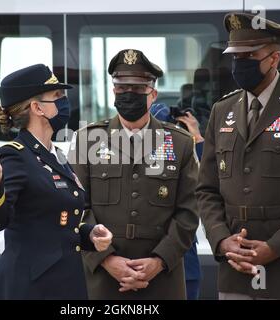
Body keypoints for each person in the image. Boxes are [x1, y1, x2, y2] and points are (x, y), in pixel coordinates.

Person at [196, 12, 280, 299]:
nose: (239, 64)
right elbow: (207, 190)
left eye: (249, 56)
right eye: (235, 56)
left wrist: (276, 247)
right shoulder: (223, 110)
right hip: (237, 274)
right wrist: (223, 241)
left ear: (274, 58)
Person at [0, 64, 113, 300]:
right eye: (57, 96)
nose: (64, 102)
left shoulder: (55, 155)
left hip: (64, 283)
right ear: (37, 108)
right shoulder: (15, 155)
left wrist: (89, 234)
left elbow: (53, 222)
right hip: (30, 286)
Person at [69, 49, 199, 299]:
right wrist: (107, 260)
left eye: (138, 88)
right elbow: (78, 208)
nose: (129, 94)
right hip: (104, 280)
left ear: (153, 94)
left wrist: (159, 261)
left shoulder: (180, 142)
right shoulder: (87, 140)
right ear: (113, 91)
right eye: (122, 87)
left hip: (162, 279)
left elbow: (189, 212)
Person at [150, 103, 203, 300]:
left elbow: (210, 179)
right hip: (152, 260)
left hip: (184, 262)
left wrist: (196, 137)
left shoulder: (184, 152)